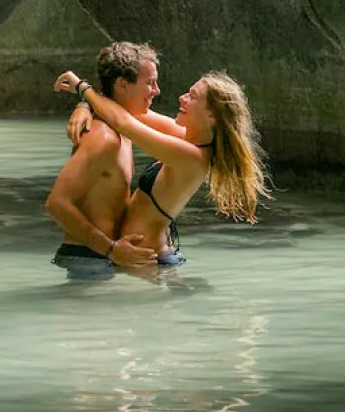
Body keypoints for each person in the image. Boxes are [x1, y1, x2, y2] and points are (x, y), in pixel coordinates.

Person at [54, 68, 269, 268]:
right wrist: (84, 105)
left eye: (192, 96)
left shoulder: (193, 158)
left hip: (149, 263)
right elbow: (129, 110)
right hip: (143, 260)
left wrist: (81, 87)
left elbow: (124, 123)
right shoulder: (188, 139)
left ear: (211, 115)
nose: (182, 97)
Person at [44, 42, 165, 279]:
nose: (157, 90)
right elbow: (57, 203)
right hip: (90, 259)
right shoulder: (103, 137)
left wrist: (85, 102)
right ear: (122, 85)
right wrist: (111, 250)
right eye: (149, 83)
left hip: (99, 259)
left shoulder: (122, 129)